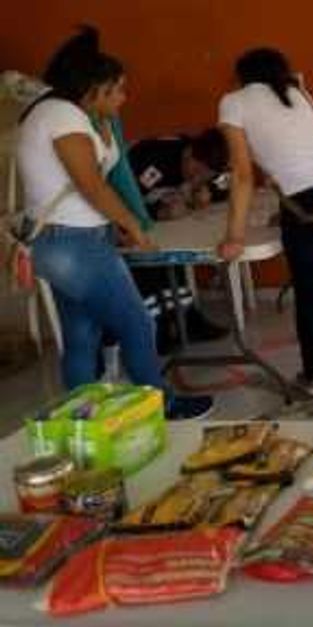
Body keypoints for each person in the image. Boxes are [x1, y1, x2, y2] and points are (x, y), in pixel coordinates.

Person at [16, 27, 212, 420]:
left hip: (72, 242)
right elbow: (90, 184)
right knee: (137, 324)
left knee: (82, 336)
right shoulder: (63, 116)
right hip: (73, 244)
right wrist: (133, 226)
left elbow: (102, 178)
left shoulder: (74, 114)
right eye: (118, 90)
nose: (124, 97)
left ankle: (82, 417)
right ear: (94, 89)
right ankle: (161, 406)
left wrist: (121, 222)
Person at [216, 47, 313, 396]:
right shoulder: (299, 95)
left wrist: (234, 236)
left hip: (303, 205)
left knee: (307, 294)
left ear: (243, 75)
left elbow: (242, 175)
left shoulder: (233, 102)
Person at [127, 129, 230, 354]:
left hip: (156, 229)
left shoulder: (206, 163)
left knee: (176, 251)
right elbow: (120, 200)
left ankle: (187, 319)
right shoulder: (152, 160)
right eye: (198, 172)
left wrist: (209, 191)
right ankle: (156, 329)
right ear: (189, 154)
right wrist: (157, 212)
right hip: (121, 227)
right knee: (148, 261)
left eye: (206, 175)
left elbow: (227, 181)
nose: (198, 179)